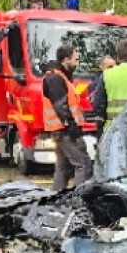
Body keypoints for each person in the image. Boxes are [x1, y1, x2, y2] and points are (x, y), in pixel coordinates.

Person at [42, 44, 92, 191]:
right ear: (65, 60)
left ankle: (56, 197)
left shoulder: (59, 77)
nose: (77, 64)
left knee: (63, 169)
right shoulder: (56, 78)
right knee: (83, 164)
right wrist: (71, 125)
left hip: (61, 130)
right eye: (75, 60)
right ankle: (81, 197)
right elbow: (61, 106)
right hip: (65, 131)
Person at [88, 54, 115, 137]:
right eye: (109, 67)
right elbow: (96, 103)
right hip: (102, 122)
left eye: (113, 67)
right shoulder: (95, 84)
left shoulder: (117, 81)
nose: (111, 70)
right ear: (101, 67)